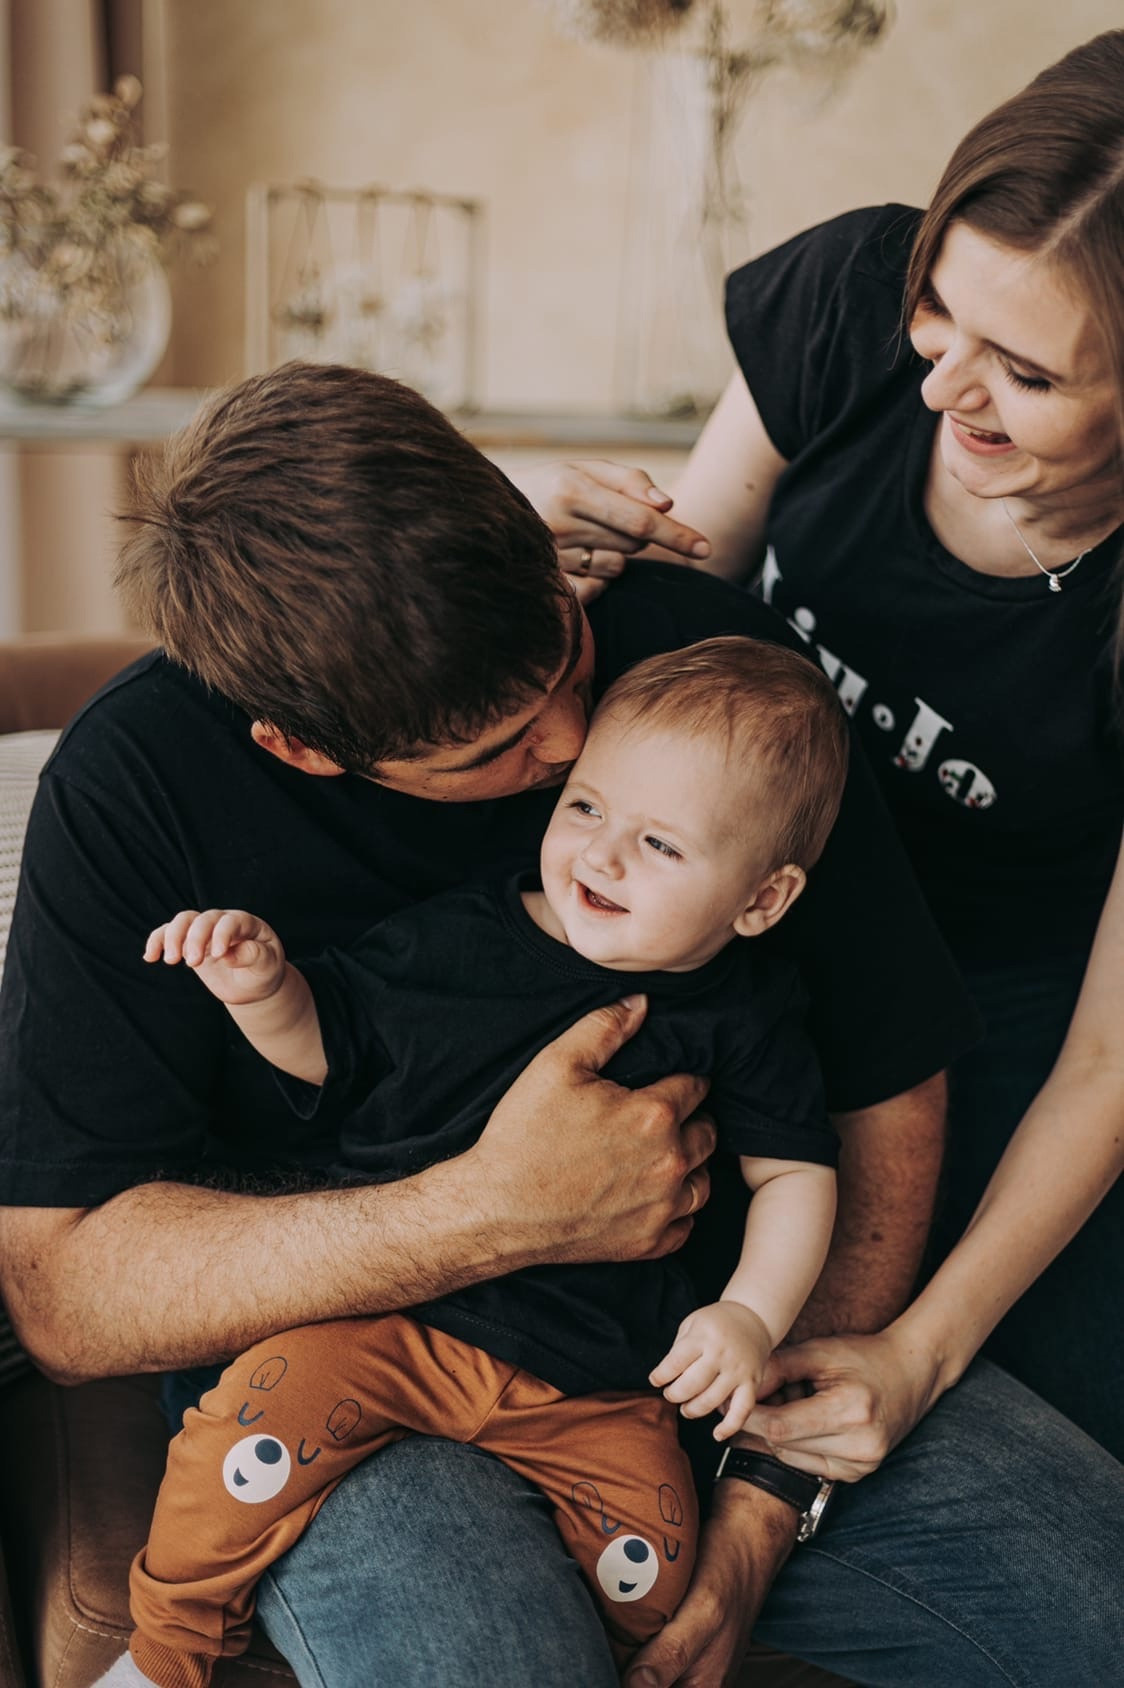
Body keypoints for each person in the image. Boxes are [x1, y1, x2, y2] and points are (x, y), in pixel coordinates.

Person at [0, 361, 1116, 1688]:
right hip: (353, 1373)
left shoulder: (715, 680)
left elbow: (883, 1094)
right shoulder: (136, 793)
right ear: (304, 753)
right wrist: (494, 1208)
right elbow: (64, 1290)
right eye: (500, 749)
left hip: (706, 1342)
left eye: (569, 655)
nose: (579, 738)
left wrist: (761, 1498)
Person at [534, 26, 1124, 1488]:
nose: (941, 390)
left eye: (1028, 377)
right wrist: (560, 575)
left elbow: (1111, 1057)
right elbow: (688, 619)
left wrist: (918, 1355)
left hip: (998, 1029)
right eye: (944, 312)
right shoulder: (855, 294)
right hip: (731, 919)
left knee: (1050, 1455)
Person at [103, 638, 844, 1688]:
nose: (600, 854)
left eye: (660, 844)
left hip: (594, 1379)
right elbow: (333, 1048)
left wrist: (749, 1316)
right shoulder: (455, 938)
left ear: (759, 899)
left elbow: (795, 1175)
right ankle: (164, 1654)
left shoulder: (746, 1011)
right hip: (392, 1324)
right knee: (244, 1441)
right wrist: (262, 988)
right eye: (584, 807)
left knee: (660, 1565)